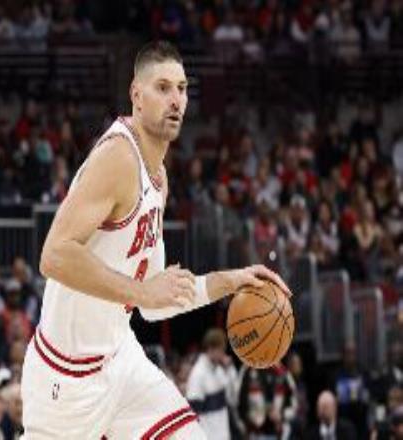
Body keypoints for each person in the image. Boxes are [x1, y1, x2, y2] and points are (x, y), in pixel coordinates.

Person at [20, 40, 291, 440]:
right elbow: (54, 256)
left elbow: (155, 303)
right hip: (67, 378)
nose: (176, 100)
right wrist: (142, 291)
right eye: (162, 88)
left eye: (181, 88)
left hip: (119, 359)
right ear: (136, 95)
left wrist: (231, 281)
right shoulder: (118, 157)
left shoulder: (158, 179)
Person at [185, 328, 239, 440]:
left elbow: (233, 399)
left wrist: (230, 369)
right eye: (221, 350)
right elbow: (192, 416)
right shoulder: (198, 374)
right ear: (210, 349)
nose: (223, 353)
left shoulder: (219, 370)